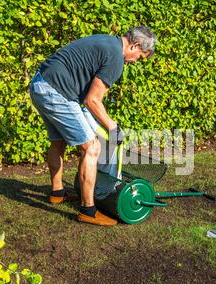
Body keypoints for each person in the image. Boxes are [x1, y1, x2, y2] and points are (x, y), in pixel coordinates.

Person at [29, 26, 157, 226]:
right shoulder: (116, 57)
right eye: (139, 57)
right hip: (56, 91)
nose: (134, 62)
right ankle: (88, 210)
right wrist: (113, 127)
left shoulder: (107, 41)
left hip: (39, 85)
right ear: (135, 45)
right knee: (92, 147)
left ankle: (57, 193)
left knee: (58, 141)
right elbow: (92, 100)